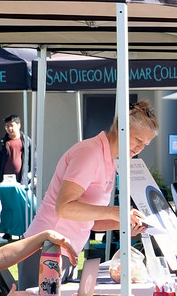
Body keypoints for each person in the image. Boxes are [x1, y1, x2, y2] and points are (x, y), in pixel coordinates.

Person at [26, 101, 156, 253]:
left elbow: (90, 221)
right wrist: (116, 212)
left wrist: (127, 222)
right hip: (46, 248)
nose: (140, 148)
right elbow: (64, 207)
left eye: (145, 144)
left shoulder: (108, 158)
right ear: (121, 129)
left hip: (65, 249)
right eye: (138, 140)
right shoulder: (90, 153)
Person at [0, 116, 31, 181]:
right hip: (4, 180)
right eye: (7, 126)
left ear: (19, 125)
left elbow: (34, 160)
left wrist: (34, 176)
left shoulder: (27, 142)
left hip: (23, 180)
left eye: (12, 125)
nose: (9, 128)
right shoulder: (1, 143)